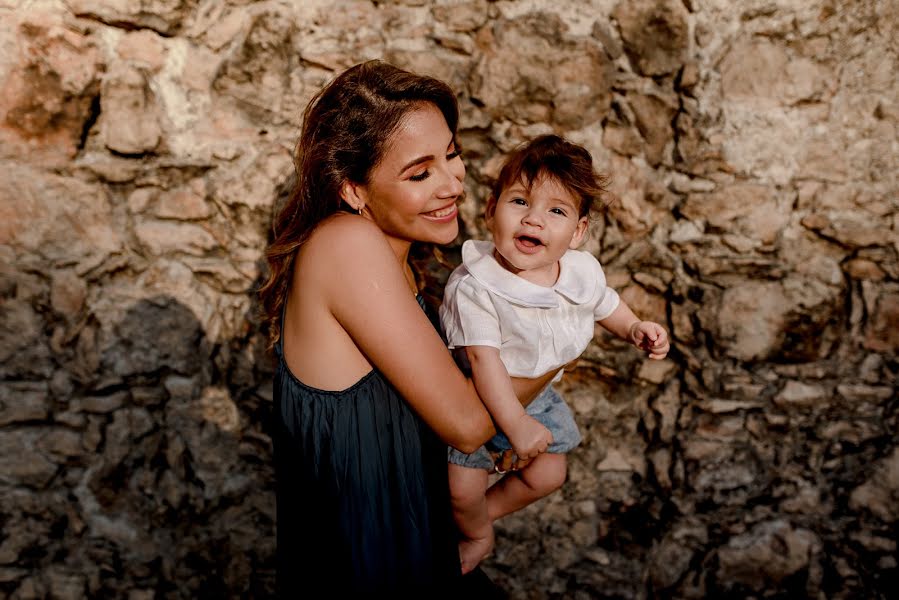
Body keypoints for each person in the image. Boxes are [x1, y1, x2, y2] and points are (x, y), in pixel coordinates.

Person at [259, 60, 557, 596]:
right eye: (419, 174)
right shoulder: (346, 245)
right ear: (354, 190)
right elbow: (468, 424)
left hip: (415, 559)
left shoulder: (405, 270)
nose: (452, 184)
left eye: (451, 154)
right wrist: (564, 338)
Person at [439, 134, 671, 574]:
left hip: (539, 396)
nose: (534, 220)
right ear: (491, 210)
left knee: (549, 475)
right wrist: (514, 424)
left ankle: (483, 515)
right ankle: (475, 531)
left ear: (579, 231)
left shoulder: (579, 271)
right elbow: (485, 361)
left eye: (556, 211)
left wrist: (633, 327)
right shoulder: (477, 285)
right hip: (478, 398)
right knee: (460, 488)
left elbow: (603, 303)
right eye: (520, 202)